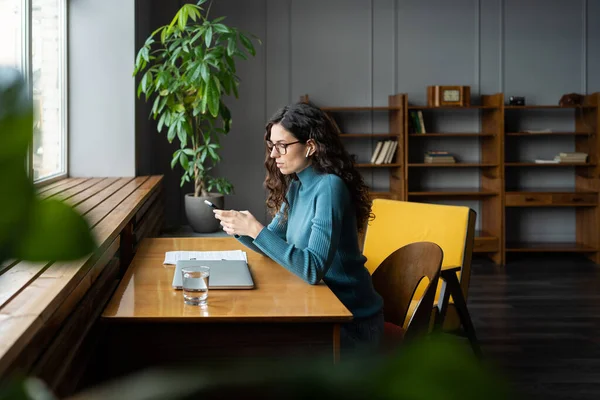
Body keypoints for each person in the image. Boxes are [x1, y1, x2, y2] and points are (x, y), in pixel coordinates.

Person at [213, 101, 384, 353]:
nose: (273, 155)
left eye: (282, 146)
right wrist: (240, 227)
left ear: (310, 147)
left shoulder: (329, 187)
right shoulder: (297, 186)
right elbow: (271, 243)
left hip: (350, 321)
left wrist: (255, 230)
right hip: (321, 305)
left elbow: (312, 269)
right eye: (272, 146)